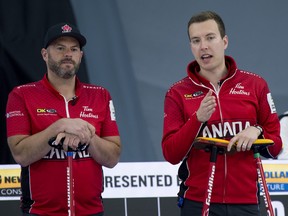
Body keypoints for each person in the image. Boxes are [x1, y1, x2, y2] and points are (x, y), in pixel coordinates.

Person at [161, 11, 282, 216]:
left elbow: (276, 147)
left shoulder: (255, 85)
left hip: (246, 202)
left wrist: (257, 130)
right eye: (196, 40)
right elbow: (171, 154)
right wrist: (197, 119)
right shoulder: (177, 92)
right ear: (191, 46)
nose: (203, 46)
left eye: (210, 38)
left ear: (224, 41)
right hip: (198, 202)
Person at [6, 23, 121, 216]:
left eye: (74, 49)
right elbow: (21, 154)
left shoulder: (101, 95)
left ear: (80, 56)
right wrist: (59, 126)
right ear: (45, 54)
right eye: (60, 48)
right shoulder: (21, 95)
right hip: (40, 211)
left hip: (92, 211)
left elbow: (112, 158)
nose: (68, 53)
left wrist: (87, 134)